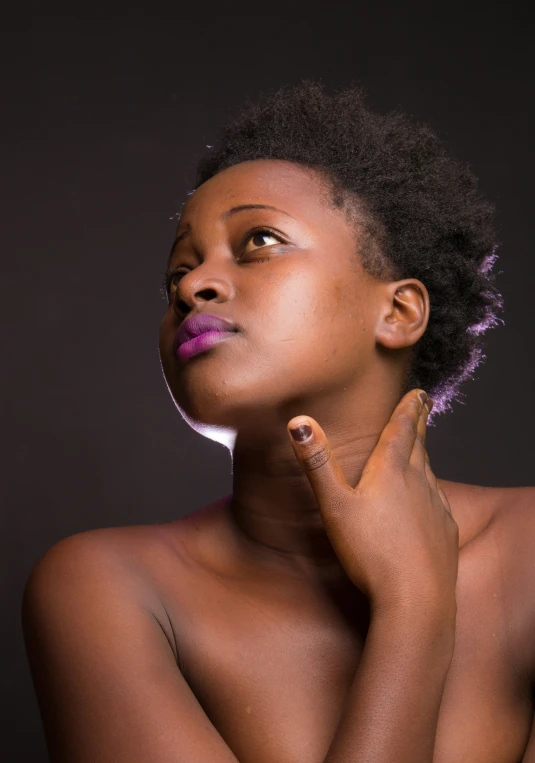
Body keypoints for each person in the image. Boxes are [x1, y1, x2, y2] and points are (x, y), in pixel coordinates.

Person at [22, 82, 535, 762]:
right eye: (179, 267)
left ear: (399, 311)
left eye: (257, 240)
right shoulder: (105, 589)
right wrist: (414, 607)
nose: (191, 285)